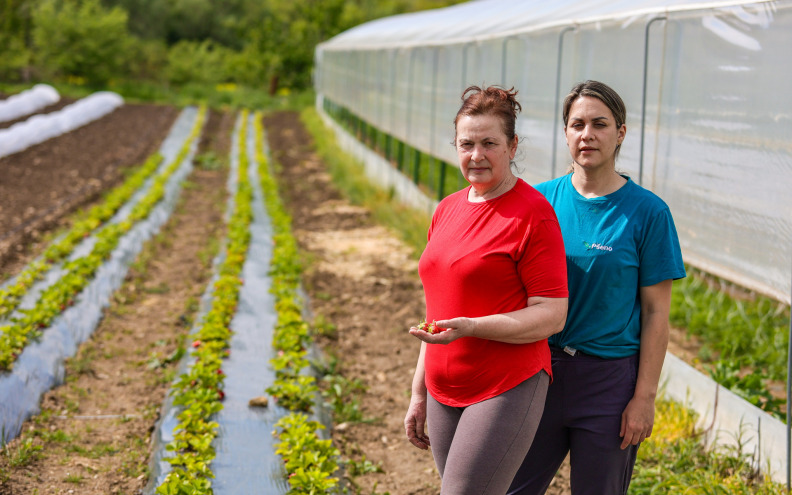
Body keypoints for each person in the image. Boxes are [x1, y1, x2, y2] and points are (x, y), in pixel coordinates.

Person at [507, 80, 686, 495]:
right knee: (512, 487)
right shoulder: (538, 201)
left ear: (620, 133)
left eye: (600, 124)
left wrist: (645, 397)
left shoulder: (648, 213)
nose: (587, 134)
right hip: (538, 370)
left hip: (608, 381)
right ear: (566, 133)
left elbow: (657, 312)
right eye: (577, 124)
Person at [403, 85, 569, 495]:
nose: (476, 155)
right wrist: (418, 391)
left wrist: (473, 327)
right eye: (467, 144)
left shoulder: (533, 215)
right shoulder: (447, 209)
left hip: (505, 384)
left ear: (512, 146)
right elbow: (437, 309)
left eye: (489, 143)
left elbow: (552, 313)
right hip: (444, 386)